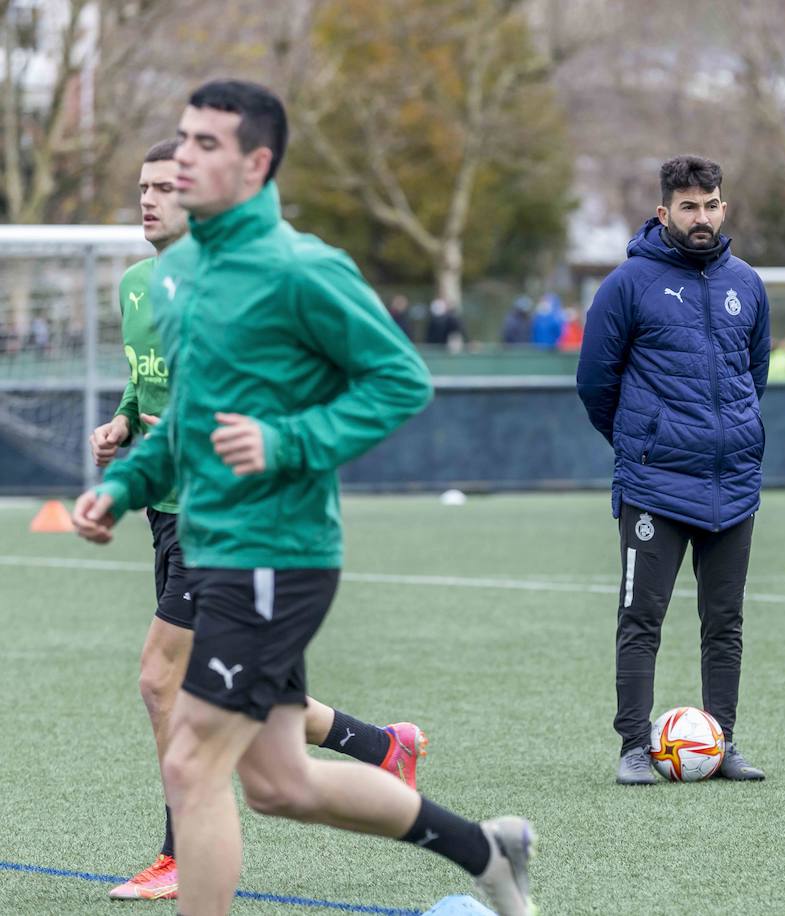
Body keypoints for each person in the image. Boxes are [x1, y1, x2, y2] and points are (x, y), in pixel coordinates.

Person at [73, 80, 534, 916]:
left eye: (205, 144)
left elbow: (400, 381)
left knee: (191, 764)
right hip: (212, 544)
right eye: (183, 139)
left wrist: (289, 442)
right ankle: (486, 850)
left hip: (276, 553)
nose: (182, 158)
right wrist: (120, 484)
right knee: (280, 783)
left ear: (255, 163)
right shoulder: (185, 281)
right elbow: (184, 423)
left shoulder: (301, 267)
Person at [87, 138, 429, 903]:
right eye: (140, 188)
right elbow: (150, 384)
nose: (147, 201)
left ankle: (180, 850)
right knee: (256, 700)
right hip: (167, 512)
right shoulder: (139, 285)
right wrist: (121, 423)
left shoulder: (246, 283)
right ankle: (383, 746)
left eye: (164, 188)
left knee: (159, 678)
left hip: (232, 522)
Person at [576, 154, 770, 786]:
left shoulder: (747, 283)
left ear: (724, 205)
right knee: (641, 619)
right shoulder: (627, 285)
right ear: (664, 213)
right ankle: (634, 746)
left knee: (726, 623)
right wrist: (644, 444)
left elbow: (754, 375)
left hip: (732, 485)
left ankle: (723, 742)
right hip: (655, 486)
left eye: (711, 204)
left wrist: (729, 437)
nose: (702, 217)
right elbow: (594, 385)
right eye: (688, 206)